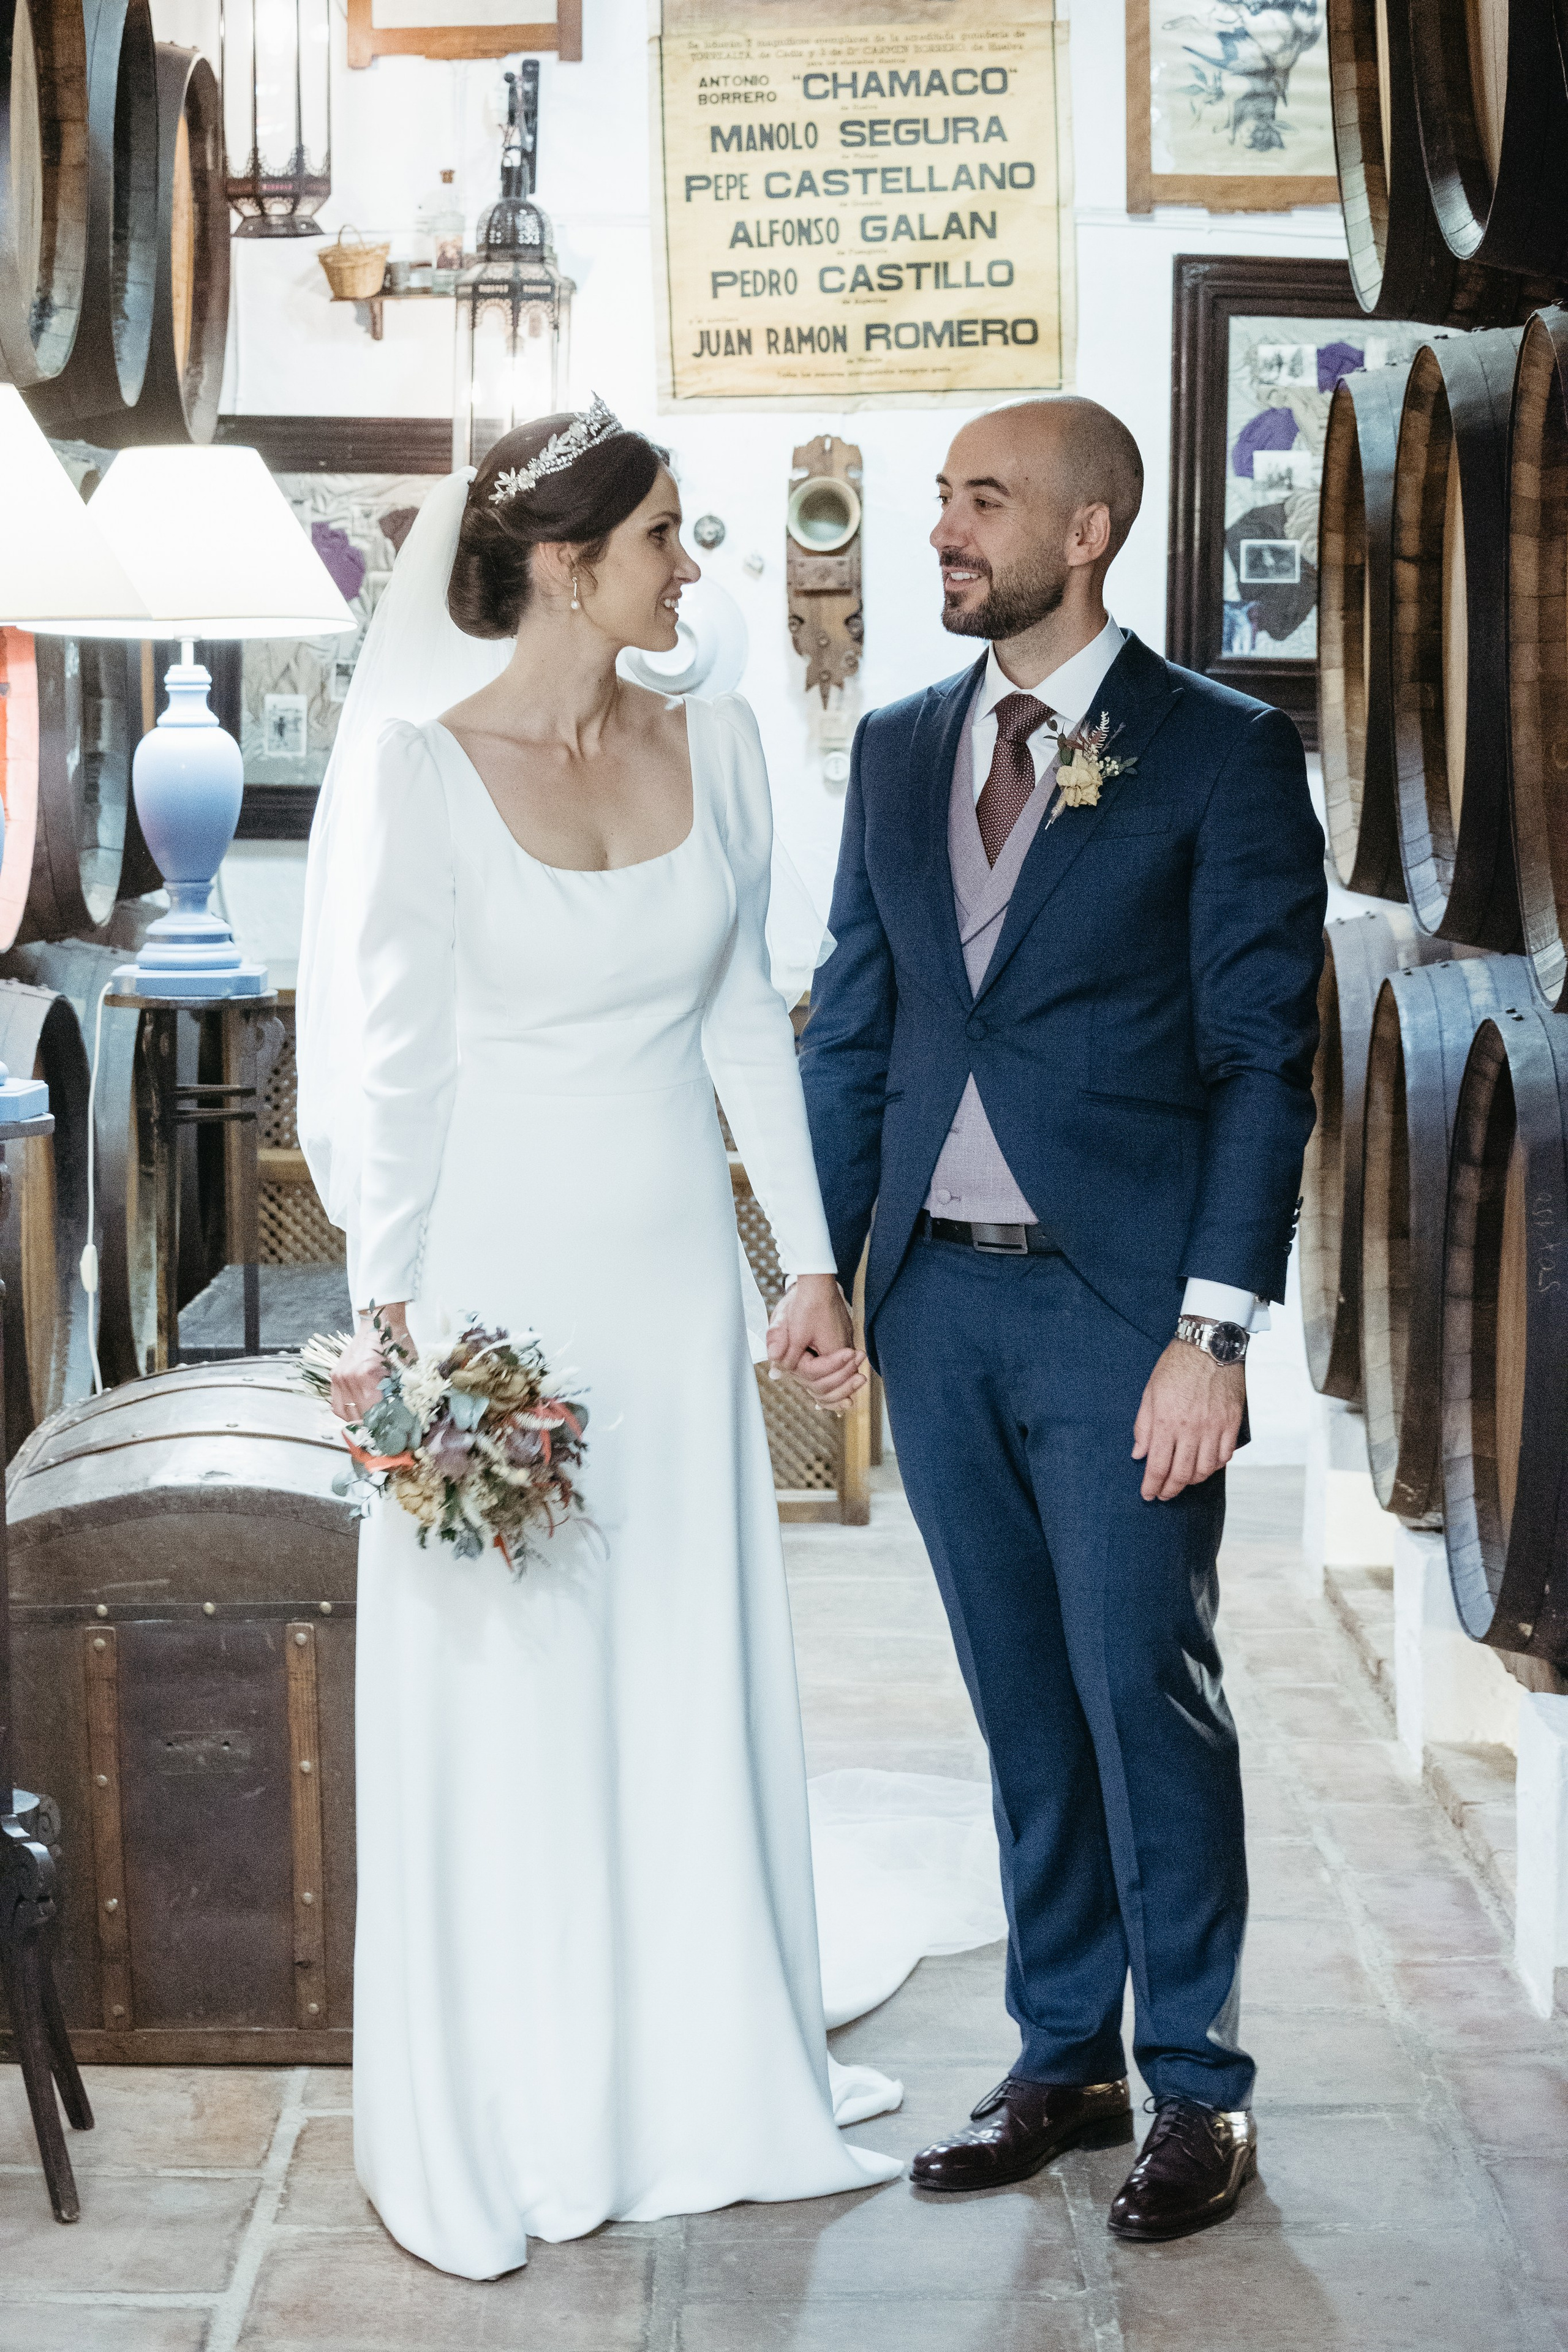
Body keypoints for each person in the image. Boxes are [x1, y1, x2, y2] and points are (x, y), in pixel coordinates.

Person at [295, 400, 907, 2281]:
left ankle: (697, 2067)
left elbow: (745, 1028)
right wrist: (390, 1331)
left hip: (662, 1287)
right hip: (498, 1299)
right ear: (568, 565)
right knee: (511, 1693)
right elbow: (394, 1077)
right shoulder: (421, 770)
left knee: (674, 1665)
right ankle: (511, 2093)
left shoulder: (716, 745)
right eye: (663, 534)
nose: (691, 565)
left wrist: (805, 1271)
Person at [777, 396, 1326, 2242]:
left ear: (1088, 532)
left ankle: (1199, 2089)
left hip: (1125, 1320)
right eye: (942, 498)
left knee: (1143, 1700)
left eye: (982, 501)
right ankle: (1061, 2053)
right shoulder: (903, 745)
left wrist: (1217, 1334)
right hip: (940, 1313)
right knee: (1021, 1704)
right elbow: (862, 1016)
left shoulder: (1223, 757)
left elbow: (1264, 1064)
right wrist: (828, 1263)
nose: (946, 528)